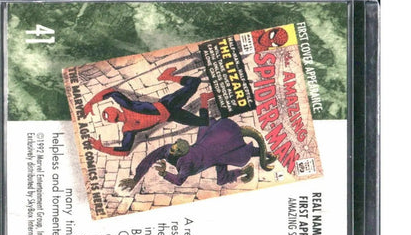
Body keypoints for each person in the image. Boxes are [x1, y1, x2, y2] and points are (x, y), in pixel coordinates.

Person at [83, 67, 214, 156]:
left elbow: (111, 92)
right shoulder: (128, 128)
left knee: (194, 82)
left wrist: (91, 103)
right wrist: (101, 148)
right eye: (109, 116)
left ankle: (167, 77)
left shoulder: (127, 107)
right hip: (172, 115)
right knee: (203, 122)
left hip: (169, 103)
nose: (110, 116)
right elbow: (124, 151)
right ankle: (204, 98)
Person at [119, 118, 276, 190]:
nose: (171, 151)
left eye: (175, 151)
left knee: (227, 162)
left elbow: (179, 181)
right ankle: (255, 162)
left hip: (215, 153)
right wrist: (135, 179)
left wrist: (165, 173)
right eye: (173, 148)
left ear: (182, 153)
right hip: (210, 145)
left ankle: (260, 158)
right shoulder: (167, 149)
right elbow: (150, 158)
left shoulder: (186, 164)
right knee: (225, 166)